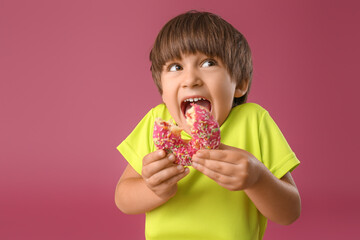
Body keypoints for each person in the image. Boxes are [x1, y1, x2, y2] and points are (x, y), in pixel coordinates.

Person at [115, 10, 301, 240]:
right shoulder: (157, 121)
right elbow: (123, 199)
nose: (191, 79)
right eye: (175, 67)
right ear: (163, 90)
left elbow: (290, 212)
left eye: (208, 63)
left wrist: (258, 179)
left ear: (240, 84)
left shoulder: (255, 121)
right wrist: (153, 189)